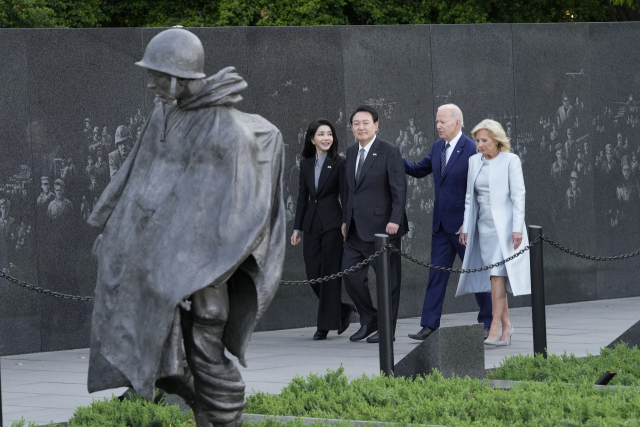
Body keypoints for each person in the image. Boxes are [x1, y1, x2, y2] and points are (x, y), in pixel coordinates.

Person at [86, 28, 284, 427]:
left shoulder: (227, 131)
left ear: (180, 77)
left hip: (203, 278)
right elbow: (139, 178)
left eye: (158, 75)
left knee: (205, 356)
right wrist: (115, 233)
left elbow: (237, 219)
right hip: (159, 268)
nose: (151, 83)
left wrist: (191, 274)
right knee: (171, 365)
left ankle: (223, 420)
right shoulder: (165, 112)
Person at [403, 104, 492, 341]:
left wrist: (470, 222)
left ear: (457, 123)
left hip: (465, 227)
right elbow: (418, 169)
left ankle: (488, 322)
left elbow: (482, 190)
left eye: (442, 122)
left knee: (476, 274)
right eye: (437, 122)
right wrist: (394, 158)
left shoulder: (473, 149)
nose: (438, 126)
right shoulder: (437, 147)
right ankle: (429, 325)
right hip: (441, 227)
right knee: (436, 275)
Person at [457, 119, 530, 346]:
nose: (480, 144)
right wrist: (466, 227)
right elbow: (470, 197)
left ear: (497, 140)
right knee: (494, 277)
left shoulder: (511, 160)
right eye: (477, 140)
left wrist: (517, 229)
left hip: (506, 228)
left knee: (498, 275)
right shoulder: (473, 161)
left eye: (484, 140)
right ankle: (507, 327)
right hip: (484, 227)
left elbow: (519, 196)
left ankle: (494, 328)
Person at [341, 105, 407, 343]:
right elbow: (349, 190)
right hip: (355, 229)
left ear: (376, 125)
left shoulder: (389, 151)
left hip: (383, 229)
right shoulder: (350, 152)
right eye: (356, 123)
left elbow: (399, 189)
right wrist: (344, 220)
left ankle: (387, 330)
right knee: (351, 276)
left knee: (388, 283)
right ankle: (369, 319)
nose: (360, 127)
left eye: (365, 122)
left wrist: (395, 221)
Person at [291, 119, 355, 340]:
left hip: (333, 224)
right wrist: (297, 228)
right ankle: (342, 309)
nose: (326, 138)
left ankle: (325, 326)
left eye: (329, 134)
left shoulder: (340, 162)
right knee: (313, 274)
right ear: (312, 139)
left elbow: (346, 196)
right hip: (310, 224)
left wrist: (346, 222)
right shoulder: (306, 163)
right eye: (321, 134)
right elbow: (302, 198)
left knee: (329, 275)